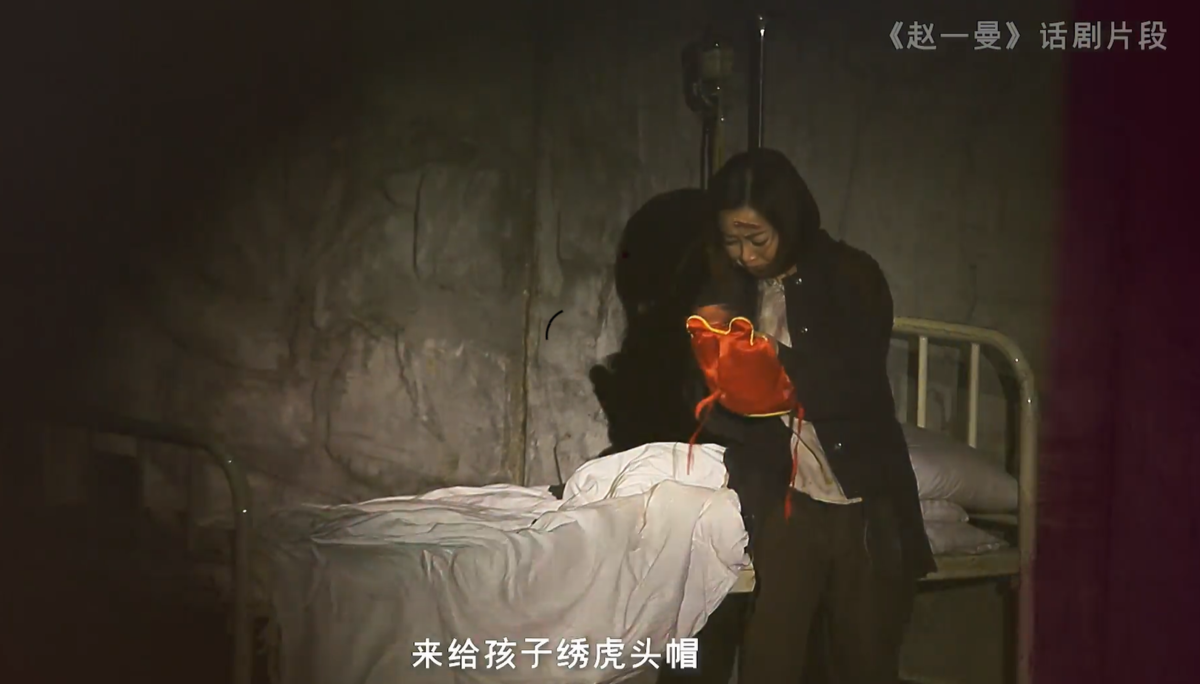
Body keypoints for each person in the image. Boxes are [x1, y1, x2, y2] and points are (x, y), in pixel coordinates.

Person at [689, 148, 935, 683]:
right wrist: (718, 370)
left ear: (789, 220)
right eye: (731, 240)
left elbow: (855, 385)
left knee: (864, 655)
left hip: (863, 492)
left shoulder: (852, 275)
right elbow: (717, 407)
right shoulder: (729, 291)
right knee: (771, 652)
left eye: (757, 239)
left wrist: (770, 362)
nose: (745, 255)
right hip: (784, 492)